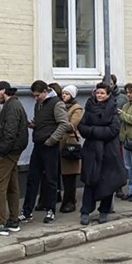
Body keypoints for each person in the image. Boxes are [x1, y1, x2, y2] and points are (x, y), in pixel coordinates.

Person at [20, 80, 70, 225]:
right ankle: (27, 211)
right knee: (32, 178)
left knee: (50, 180)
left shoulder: (57, 103)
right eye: (34, 96)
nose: (36, 98)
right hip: (38, 145)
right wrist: (33, 124)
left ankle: (51, 210)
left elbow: (64, 124)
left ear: (44, 92)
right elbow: (42, 121)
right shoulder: (39, 104)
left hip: (50, 146)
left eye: (37, 95)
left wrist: (52, 139)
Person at [78, 83, 126, 225]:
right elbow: (82, 127)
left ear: (108, 95)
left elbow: (114, 129)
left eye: (102, 93)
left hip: (109, 151)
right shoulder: (89, 107)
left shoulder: (113, 109)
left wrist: (93, 131)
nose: (99, 96)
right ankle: (85, 211)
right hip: (91, 151)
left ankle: (104, 211)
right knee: (90, 181)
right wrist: (95, 131)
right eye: (98, 93)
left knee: (108, 182)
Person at [0, 81, 28, 236]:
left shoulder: (11, 107)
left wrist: (0, 151)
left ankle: (1, 223)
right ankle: (13, 221)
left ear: (3, 91)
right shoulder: (14, 105)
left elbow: (10, 133)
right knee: (12, 187)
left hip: (7, 153)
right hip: (11, 152)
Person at [59, 85, 83, 213]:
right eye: (63, 93)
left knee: (70, 176)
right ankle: (65, 199)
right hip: (60, 143)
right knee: (63, 175)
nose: (64, 96)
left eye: (67, 94)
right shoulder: (60, 106)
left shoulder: (77, 108)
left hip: (70, 144)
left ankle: (70, 201)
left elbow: (72, 125)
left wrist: (60, 123)